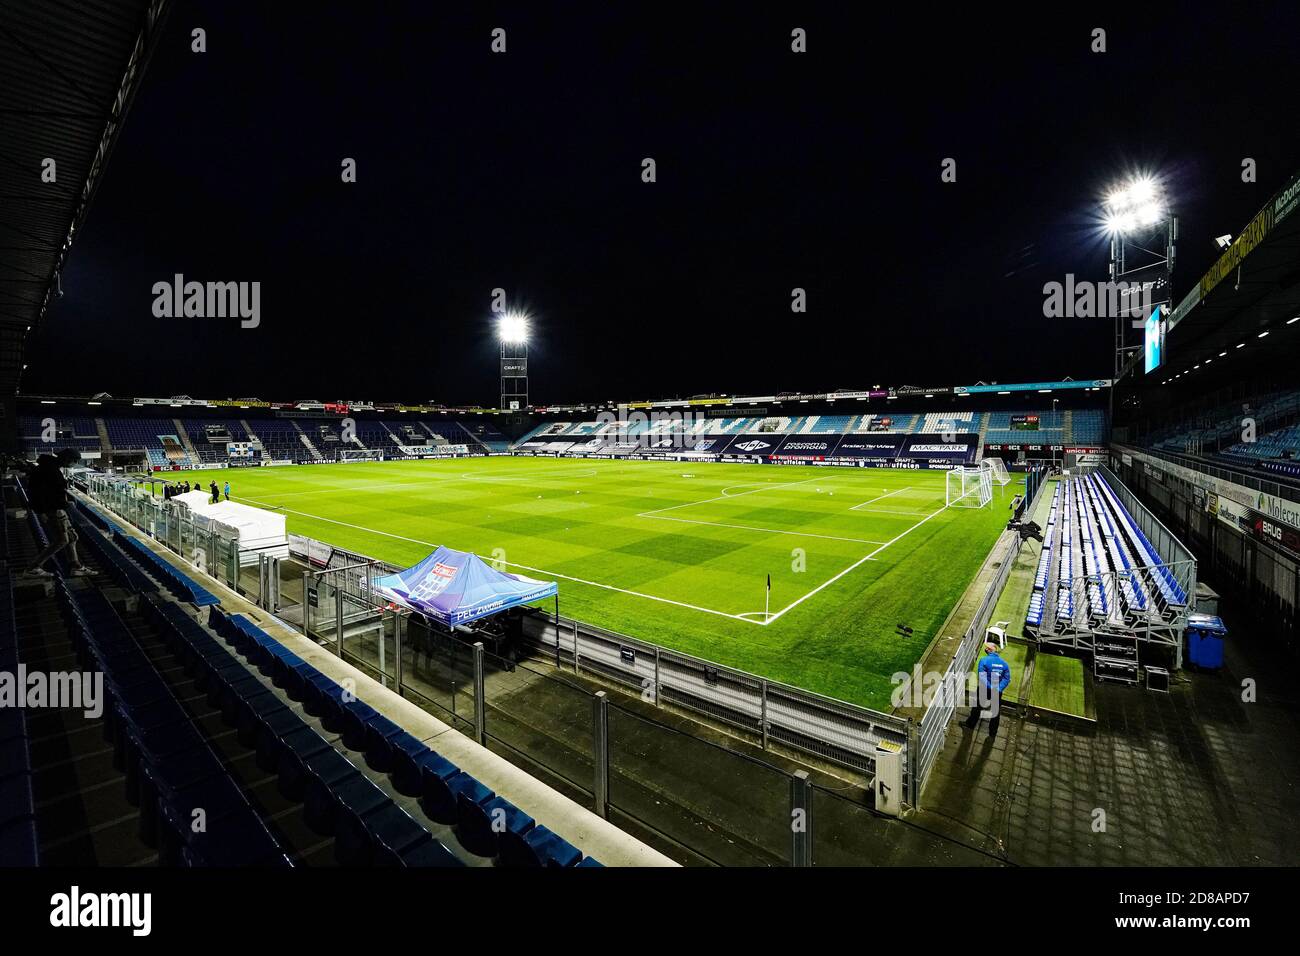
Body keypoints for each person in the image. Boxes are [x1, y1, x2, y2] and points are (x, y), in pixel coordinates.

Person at [19, 450, 92, 579]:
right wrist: (43, 511)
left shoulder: (50, 467)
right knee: (62, 540)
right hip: (53, 510)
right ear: (67, 458)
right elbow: (40, 493)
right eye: (74, 460)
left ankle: (76, 567)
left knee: (72, 537)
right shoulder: (49, 470)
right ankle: (33, 568)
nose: (75, 463)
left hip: (56, 509)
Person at [964, 641, 1012, 738]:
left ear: (989, 650)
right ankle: (992, 733)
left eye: (987, 648)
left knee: (977, 708)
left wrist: (990, 687)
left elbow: (982, 677)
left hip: (984, 689)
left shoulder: (984, 660)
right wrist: (998, 688)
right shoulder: (1004, 664)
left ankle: (970, 725)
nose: (985, 649)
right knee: (996, 711)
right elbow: (1007, 679)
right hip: (997, 691)